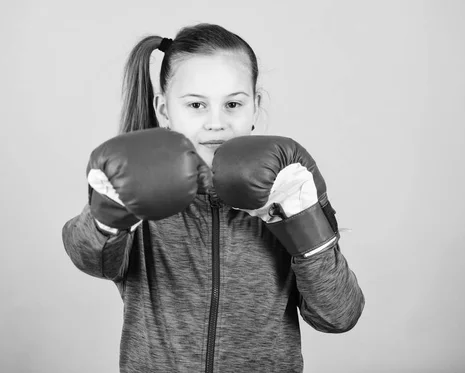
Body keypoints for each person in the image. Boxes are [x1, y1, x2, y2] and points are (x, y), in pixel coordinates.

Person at [62, 23, 365, 373]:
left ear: (255, 107)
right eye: (196, 105)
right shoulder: (142, 191)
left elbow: (339, 315)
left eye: (233, 103)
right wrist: (110, 210)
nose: (216, 123)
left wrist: (304, 222)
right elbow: (91, 260)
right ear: (164, 110)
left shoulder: (283, 189)